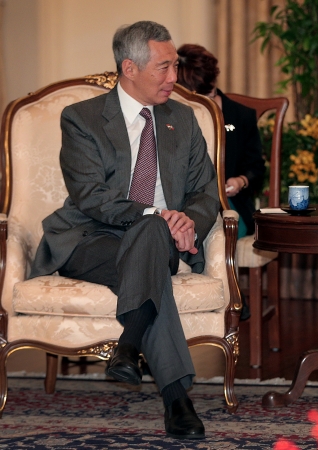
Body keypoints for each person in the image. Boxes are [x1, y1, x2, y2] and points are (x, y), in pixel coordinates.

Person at [29, 21, 220, 440]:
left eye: (175, 66)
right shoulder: (81, 118)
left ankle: (131, 348)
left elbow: (207, 191)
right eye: (164, 67)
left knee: (151, 235)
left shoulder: (182, 120)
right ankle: (176, 398)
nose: (174, 77)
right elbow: (90, 195)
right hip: (90, 238)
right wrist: (160, 214)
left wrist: (188, 221)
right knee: (151, 251)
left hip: (161, 240)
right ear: (129, 68)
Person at [176, 43, 265, 320]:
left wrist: (240, 181)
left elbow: (257, 168)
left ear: (214, 81)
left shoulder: (241, 115)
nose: (202, 105)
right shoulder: (173, 114)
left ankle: (230, 296)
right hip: (185, 200)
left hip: (231, 203)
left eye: (207, 95)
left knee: (221, 223)